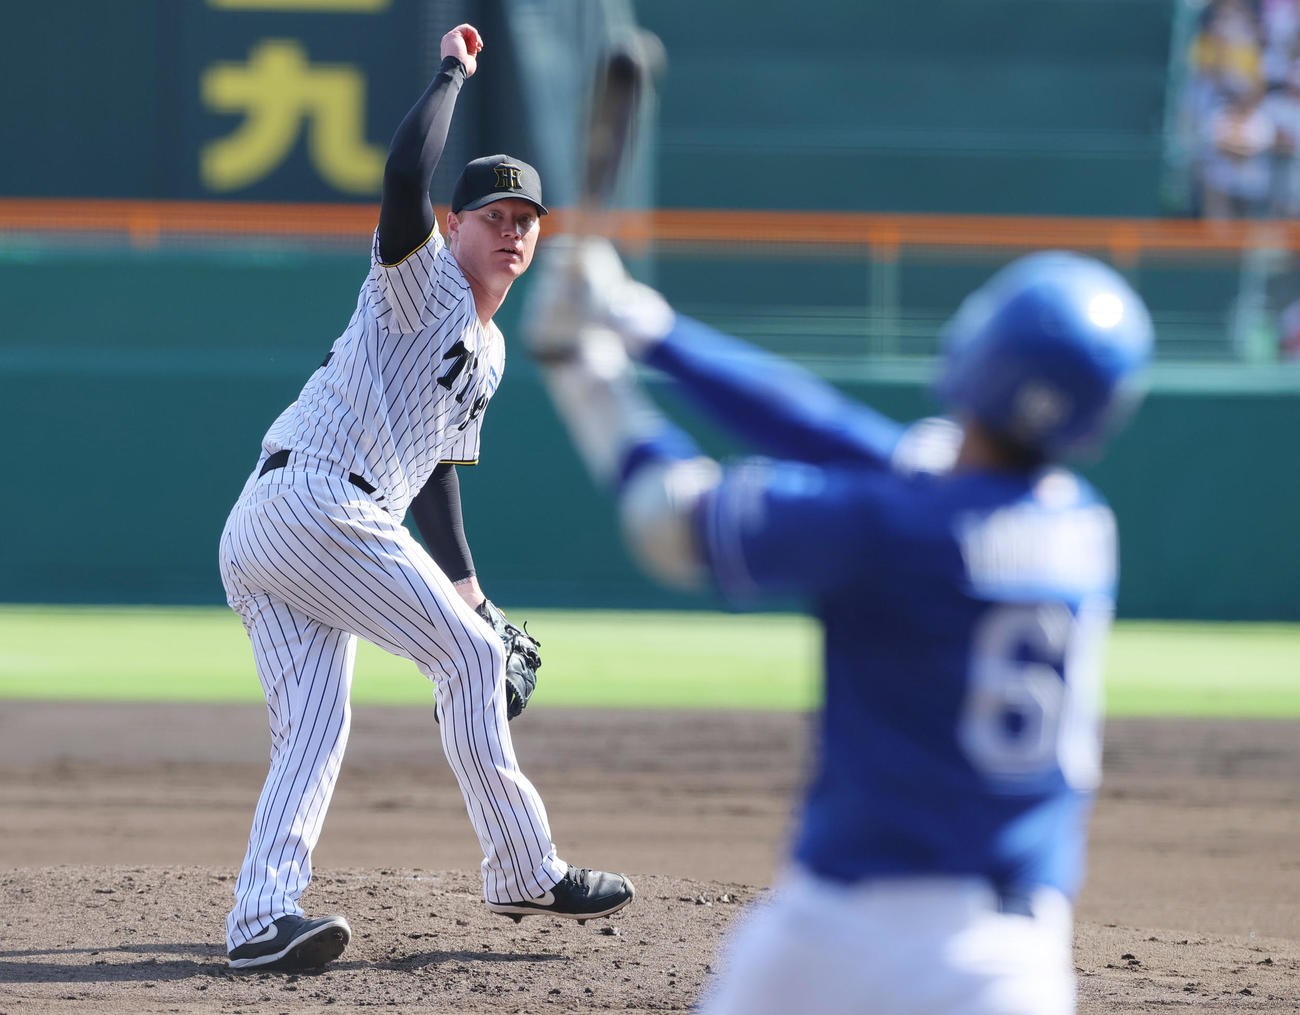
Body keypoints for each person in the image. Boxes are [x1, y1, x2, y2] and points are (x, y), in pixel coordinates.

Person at [524, 240, 1154, 1014]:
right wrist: (647, 326)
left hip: (838, 935)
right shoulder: (1082, 528)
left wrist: (582, 370)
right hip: (1015, 965)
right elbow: (840, 435)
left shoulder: (892, 528)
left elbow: (669, 520)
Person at [217, 24, 633, 973]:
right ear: (456, 225)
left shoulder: (490, 349)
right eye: (495, 215)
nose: (513, 230)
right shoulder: (420, 277)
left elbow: (436, 468)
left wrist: (472, 591)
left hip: (280, 523)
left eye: (527, 219)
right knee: (470, 660)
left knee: (314, 730)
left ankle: (260, 918)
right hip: (319, 501)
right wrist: (453, 70)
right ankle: (523, 868)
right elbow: (405, 173)